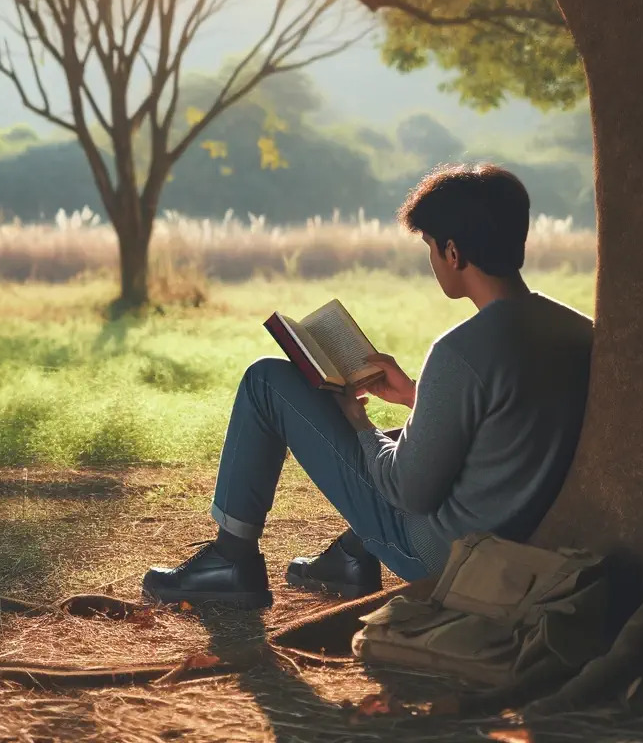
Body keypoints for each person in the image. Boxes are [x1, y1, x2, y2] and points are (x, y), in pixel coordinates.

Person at [142, 163, 594, 607]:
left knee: (267, 381)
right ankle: (351, 559)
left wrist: (358, 420)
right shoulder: (579, 330)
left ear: (452, 253)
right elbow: (510, 422)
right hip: (514, 538)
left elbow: (406, 490)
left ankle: (231, 559)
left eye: (431, 248)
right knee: (406, 437)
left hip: (440, 555)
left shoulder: (460, 351)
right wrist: (416, 396)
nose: (434, 261)